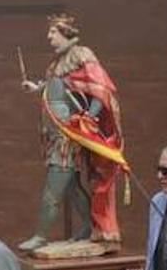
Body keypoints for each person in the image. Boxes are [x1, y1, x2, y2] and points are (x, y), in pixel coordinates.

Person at [18, 14, 123, 251]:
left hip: (68, 135)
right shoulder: (58, 62)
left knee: (54, 186)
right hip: (55, 133)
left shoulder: (81, 54)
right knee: (73, 186)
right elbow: (60, 87)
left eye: (54, 32)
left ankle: (41, 235)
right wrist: (36, 87)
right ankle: (89, 227)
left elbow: (100, 89)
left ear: (66, 32)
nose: (49, 37)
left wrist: (90, 116)